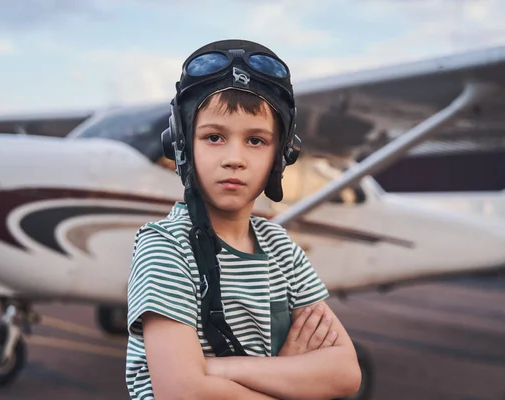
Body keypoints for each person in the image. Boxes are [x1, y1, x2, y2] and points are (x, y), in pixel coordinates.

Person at [126, 39, 362, 400]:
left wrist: (215, 368)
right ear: (182, 143)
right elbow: (183, 392)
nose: (234, 158)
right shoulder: (165, 248)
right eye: (214, 137)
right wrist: (289, 374)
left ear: (281, 154)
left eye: (255, 140)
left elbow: (345, 373)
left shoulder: (280, 248)